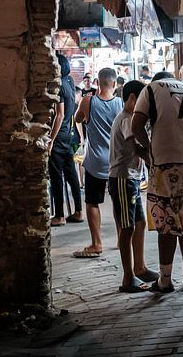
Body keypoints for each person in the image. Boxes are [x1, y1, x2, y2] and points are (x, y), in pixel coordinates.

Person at [131, 71, 183, 292]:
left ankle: (165, 280)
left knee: (166, 220)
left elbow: (135, 126)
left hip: (165, 161)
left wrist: (150, 148)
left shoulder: (150, 89)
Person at [108, 79, 159, 292]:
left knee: (139, 224)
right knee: (127, 227)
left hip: (132, 179)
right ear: (131, 99)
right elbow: (135, 148)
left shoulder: (127, 117)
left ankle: (140, 268)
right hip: (122, 178)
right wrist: (154, 160)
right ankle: (127, 277)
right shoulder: (127, 120)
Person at [72, 67, 124, 258]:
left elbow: (77, 118)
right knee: (119, 203)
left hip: (95, 162)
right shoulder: (121, 103)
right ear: (115, 84)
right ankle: (121, 240)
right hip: (116, 161)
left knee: (92, 202)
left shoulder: (88, 101)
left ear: (97, 83)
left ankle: (97, 243)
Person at [48, 53, 84, 227]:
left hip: (60, 135)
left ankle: (60, 215)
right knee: (71, 175)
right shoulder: (70, 82)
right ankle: (78, 211)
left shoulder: (59, 86)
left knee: (56, 176)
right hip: (69, 135)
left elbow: (59, 115)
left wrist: (51, 140)